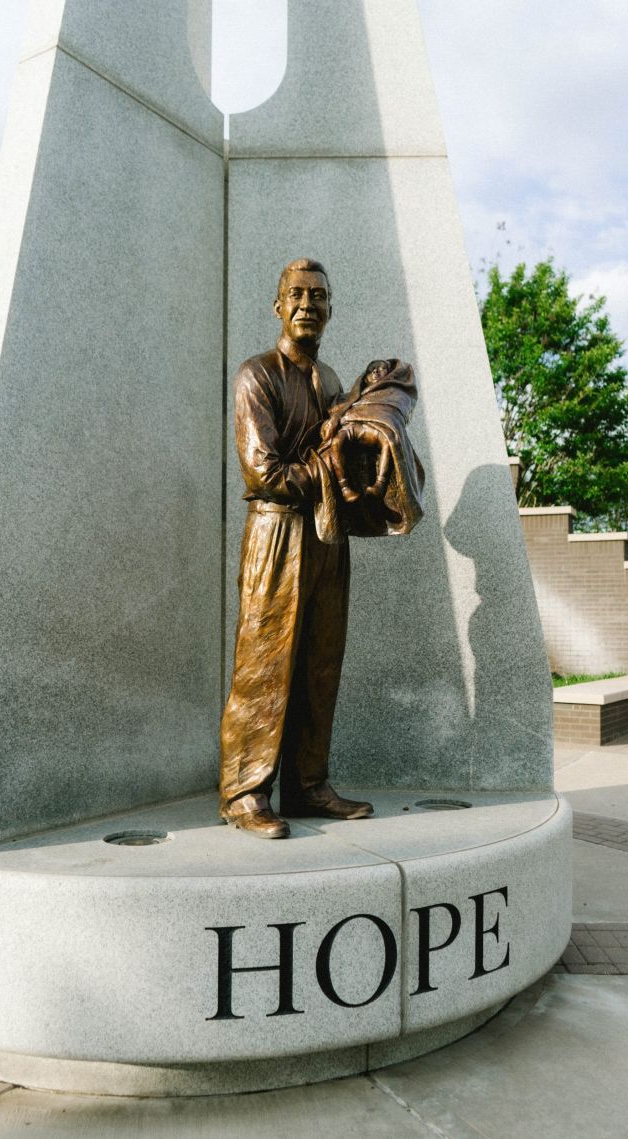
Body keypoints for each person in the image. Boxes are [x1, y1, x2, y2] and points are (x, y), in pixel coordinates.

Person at [219, 258, 374, 839]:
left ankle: (308, 785)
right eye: (298, 295)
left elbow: (331, 460)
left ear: (330, 308)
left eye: (320, 296)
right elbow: (263, 472)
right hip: (277, 532)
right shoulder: (256, 375)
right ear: (278, 306)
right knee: (265, 665)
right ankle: (244, 792)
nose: (309, 304)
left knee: (320, 661)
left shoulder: (331, 380)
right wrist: (331, 464)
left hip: (328, 533)